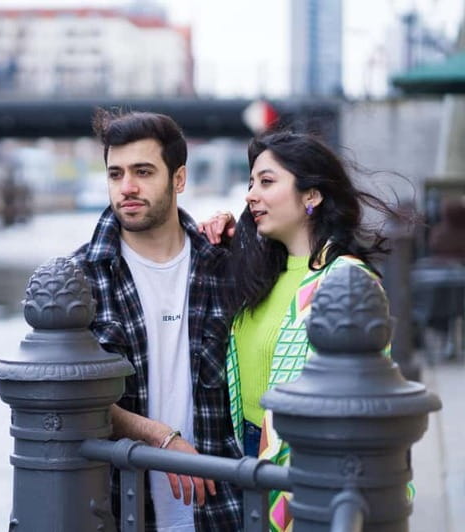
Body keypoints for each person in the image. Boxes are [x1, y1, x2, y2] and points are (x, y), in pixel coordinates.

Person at [199, 130, 397, 532]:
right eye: (251, 182)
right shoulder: (259, 272)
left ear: (312, 195)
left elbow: (372, 400)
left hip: (312, 463)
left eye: (267, 182)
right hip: (247, 455)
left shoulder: (346, 281)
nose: (251, 194)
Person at [70, 109, 243, 531]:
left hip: (222, 513)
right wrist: (161, 439)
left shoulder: (224, 266)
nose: (126, 187)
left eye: (143, 171)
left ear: (178, 179)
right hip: (123, 511)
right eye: (115, 174)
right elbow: (70, 400)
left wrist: (252, 242)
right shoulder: (78, 279)